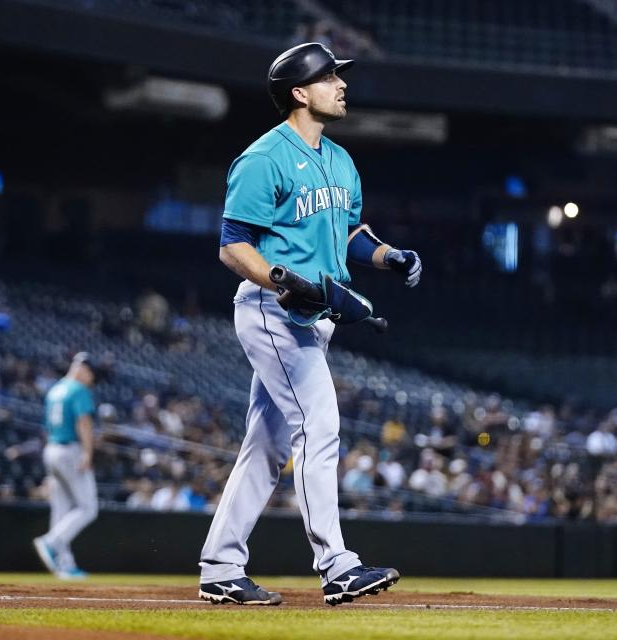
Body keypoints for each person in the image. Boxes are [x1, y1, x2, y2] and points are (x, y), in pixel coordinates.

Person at [198, 43, 422, 606]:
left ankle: (220, 568)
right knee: (319, 424)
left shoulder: (341, 160)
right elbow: (234, 247)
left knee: (266, 448)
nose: (342, 85)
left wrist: (389, 255)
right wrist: (283, 280)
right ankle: (337, 565)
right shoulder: (262, 159)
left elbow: (349, 233)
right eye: (329, 77)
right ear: (300, 92)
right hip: (272, 311)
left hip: (311, 318)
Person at [33, 352, 99, 579]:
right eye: (92, 374)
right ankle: (51, 542)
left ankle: (65, 565)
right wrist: (88, 453)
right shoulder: (78, 389)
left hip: (52, 448)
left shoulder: (55, 390)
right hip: (70, 449)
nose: (92, 380)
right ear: (83, 368)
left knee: (61, 509)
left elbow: (47, 428)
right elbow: (83, 421)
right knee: (88, 508)